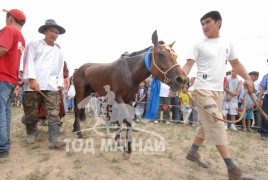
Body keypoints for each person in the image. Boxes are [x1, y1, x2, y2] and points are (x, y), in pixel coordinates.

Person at [182, 11, 257, 179]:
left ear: (218, 23)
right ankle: (233, 169)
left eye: (208, 22)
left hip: (218, 91)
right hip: (202, 89)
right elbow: (187, 65)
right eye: (202, 24)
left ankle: (192, 152)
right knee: (216, 122)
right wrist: (181, 81)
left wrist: (247, 78)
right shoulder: (198, 45)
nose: (204, 26)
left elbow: (236, 63)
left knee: (204, 123)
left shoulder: (226, 44)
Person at [22, 19, 66, 149]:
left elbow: (59, 69)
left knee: (54, 112)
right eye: (51, 31)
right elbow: (28, 61)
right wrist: (31, 79)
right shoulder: (34, 45)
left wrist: (59, 83)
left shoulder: (59, 52)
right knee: (31, 112)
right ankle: (31, 132)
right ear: (45, 31)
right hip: (33, 85)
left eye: (56, 32)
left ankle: (54, 140)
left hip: (51, 85)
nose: (54, 34)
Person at [0, 9, 26, 158]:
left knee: (1, 113)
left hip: (2, 77)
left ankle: (2, 147)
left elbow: (2, 49)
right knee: (5, 113)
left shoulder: (8, 29)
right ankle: (5, 143)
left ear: (10, 19)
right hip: (10, 79)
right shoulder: (22, 37)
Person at [258, 73, 268, 140]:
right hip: (267, 97)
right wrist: (259, 98)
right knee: (265, 114)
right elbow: (263, 87)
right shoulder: (266, 76)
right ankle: (264, 133)